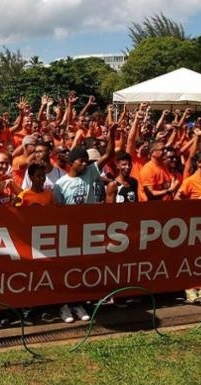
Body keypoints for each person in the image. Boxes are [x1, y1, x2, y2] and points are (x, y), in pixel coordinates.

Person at [53, 124, 117, 322]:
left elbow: (109, 154)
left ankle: (78, 303)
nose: (85, 165)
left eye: (87, 162)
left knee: (81, 269)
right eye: (82, 161)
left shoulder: (90, 173)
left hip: (87, 231)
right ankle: (63, 306)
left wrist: (112, 136)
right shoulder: (60, 184)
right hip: (68, 233)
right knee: (66, 269)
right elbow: (57, 212)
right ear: (72, 162)